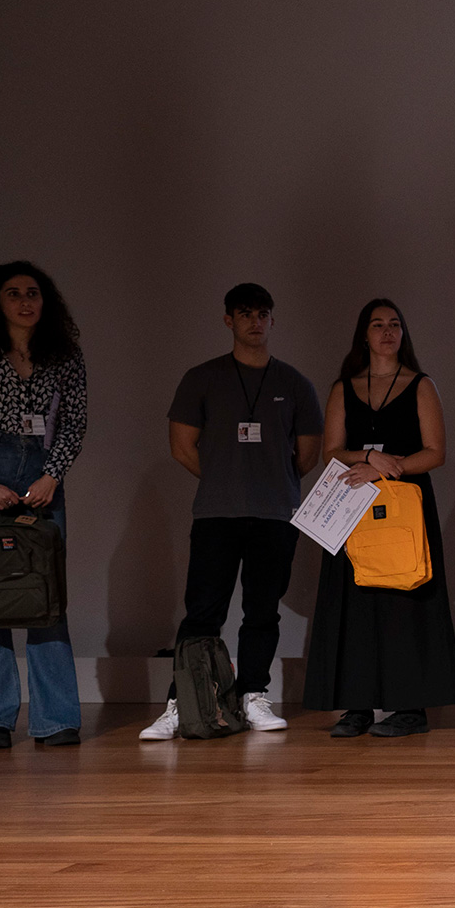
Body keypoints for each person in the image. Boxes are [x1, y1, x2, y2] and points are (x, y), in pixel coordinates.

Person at [150, 283, 322, 740]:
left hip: (274, 515)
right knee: (202, 613)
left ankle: (253, 695)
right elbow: (182, 446)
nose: (254, 322)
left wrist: (269, 481)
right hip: (217, 514)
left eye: (262, 314)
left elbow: (308, 454)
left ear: (272, 320)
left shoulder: (294, 383)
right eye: (245, 313)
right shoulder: (202, 377)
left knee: (262, 611)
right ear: (228, 320)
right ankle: (182, 703)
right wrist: (224, 477)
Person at [302, 299, 455, 737]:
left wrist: (388, 467)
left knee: (403, 603)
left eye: (394, 324)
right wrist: (369, 457)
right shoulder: (343, 387)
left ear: (403, 333)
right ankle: (357, 707)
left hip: (405, 505)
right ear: (364, 335)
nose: (387, 331)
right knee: (355, 604)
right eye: (378, 325)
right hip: (353, 507)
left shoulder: (421, 385)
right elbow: (331, 453)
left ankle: (410, 708)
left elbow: (435, 452)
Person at [0, 262, 88, 749]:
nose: (25, 301)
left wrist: (53, 475)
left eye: (33, 293)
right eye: (14, 293)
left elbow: (75, 422)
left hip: (41, 471)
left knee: (46, 590)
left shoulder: (63, 355)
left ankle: (56, 719)